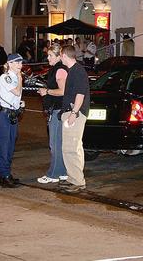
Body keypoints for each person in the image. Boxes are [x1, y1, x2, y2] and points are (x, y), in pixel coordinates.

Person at [59, 45, 90, 193]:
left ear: (64, 55)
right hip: (72, 112)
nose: (60, 58)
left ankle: (78, 181)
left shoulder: (78, 71)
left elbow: (80, 94)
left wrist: (73, 113)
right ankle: (72, 178)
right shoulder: (73, 71)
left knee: (72, 148)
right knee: (69, 148)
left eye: (60, 55)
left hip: (75, 114)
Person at [37, 44, 68, 184]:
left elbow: (63, 91)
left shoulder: (60, 70)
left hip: (58, 110)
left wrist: (47, 92)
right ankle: (62, 172)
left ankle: (53, 174)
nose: (47, 58)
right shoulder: (56, 69)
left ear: (58, 56)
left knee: (55, 143)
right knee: (57, 143)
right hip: (56, 109)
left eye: (50, 55)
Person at [0, 53, 24, 188]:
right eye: (17, 62)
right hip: (4, 116)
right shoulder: (5, 77)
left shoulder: (15, 78)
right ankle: (4, 176)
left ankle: (6, 173)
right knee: (3, 146)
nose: (20, 65)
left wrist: (20, 104)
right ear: (10, 64)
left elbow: (17, 97)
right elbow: (17, 92)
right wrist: (19, 79)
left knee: (11, 145)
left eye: (21, 63)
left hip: (13, 115)